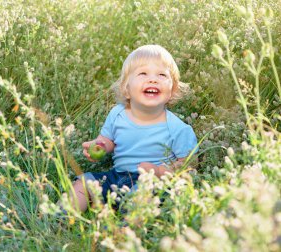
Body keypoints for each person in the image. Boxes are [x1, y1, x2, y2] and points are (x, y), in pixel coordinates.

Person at [71, 44, 198, 212]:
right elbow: (108, 140)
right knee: (83, 184)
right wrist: (100, 145)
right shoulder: (118, 114)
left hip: (150, 183)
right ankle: (59, 218)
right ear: (127, 89)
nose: (152, 79)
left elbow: (189, 165)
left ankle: (128, 230)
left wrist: (159, 171)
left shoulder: (178, 129)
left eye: (161, 75)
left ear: (172, 91)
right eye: (143, 73)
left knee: (142, 196)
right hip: (116, 177)